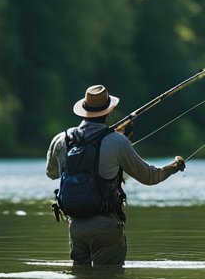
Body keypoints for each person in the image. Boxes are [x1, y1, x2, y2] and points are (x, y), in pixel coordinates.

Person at [46, 84, 185, 266]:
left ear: (83, 110)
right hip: (106, 226)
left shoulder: (62, 139)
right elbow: (150, 177)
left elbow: (52, 174)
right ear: (108, 112)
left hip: (76, 226)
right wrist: (175, 166)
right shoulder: (118, 142)